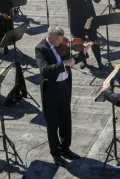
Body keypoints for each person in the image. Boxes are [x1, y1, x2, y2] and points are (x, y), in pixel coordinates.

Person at [35, 27, 92, 166]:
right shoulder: (41, 49)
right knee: (53, 123)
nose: (60, 43)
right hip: (51, 91)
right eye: (58, 40)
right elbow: (44, 70)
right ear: (50, 37)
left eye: (61, 40)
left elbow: (71, 61)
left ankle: (65, 148)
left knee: (66, 119)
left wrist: (83, 52)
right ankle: (55, 153)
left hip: (64, 87)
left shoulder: (61, 46)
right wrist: (62, 64)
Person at [64, 0, 104, 68]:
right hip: (77, 21)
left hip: (89, 19)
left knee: (94, 40)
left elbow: (97, 0)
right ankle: (84, 60)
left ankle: (99, 61)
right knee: (80, 42)